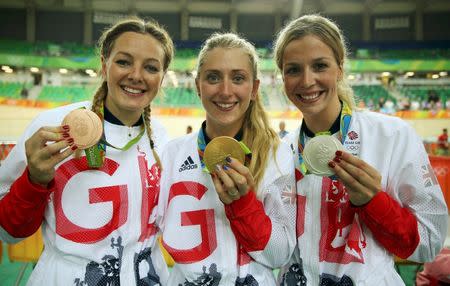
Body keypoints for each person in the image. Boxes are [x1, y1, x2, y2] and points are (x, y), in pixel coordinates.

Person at [273, 14, 448, 285]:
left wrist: (374, 202)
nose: (307, 81)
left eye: (320, 65)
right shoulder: (280, 151)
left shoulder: (392, 135)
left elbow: (428, 243)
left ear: (340, 68)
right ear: (282, 77)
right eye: (293, 69)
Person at [0, 17, 174, 285]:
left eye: (151, 67)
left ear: (162, 78)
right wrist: (33, 181)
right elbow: (8, 231)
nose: (136, 75)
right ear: (104, 66)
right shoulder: (54, 128)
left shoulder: (163, 141)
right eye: (124, 61)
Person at [157, 33, 296, 285]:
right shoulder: (171, 153)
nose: (225, 90)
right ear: (198, 85)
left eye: (238, 78)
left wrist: (243, 204)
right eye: (213, 77)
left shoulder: (277, 155)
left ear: (254, 89)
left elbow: (279, 255)